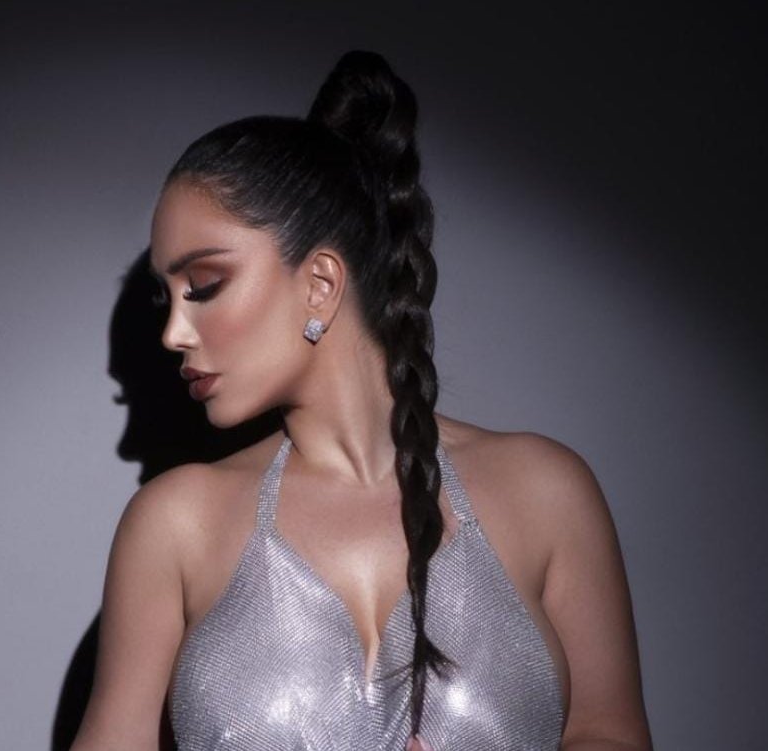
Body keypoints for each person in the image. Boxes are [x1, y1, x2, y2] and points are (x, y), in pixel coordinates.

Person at [70, 51, 652, 751]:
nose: (173, 333)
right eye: (166, 299)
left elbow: (611, 733)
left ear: (320, 284)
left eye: (204, 285)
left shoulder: (547, 491)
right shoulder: (174, 526)